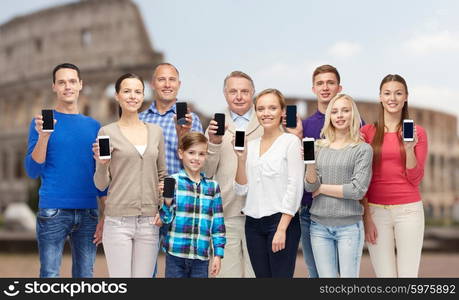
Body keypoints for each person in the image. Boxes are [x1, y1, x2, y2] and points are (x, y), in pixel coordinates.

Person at [24, 63, 107, 277]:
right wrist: (43, 137)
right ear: (54, 87)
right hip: (53, 211)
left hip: (89, 212)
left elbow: (99, 171)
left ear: (81, 85)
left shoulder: (95, 126)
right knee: (50, 275)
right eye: (61, 82)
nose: (67, 86)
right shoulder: (40, 124)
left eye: (72, 81)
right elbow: (33, 170)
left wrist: (104, 214)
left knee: (85, 276)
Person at [93, 73, 167, 277]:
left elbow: (163, 175)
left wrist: (163, 208)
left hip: (149, 222)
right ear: (117, 96)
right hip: (117, 221)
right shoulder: (106, 132)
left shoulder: (156, 132)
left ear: (143, 96)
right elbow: (100, 185)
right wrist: (101, 164)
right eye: (126, 91)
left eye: (137, 91)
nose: (132, 96)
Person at [138, 63, 203, 276]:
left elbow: (196, 167)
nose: (167, 84)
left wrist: (182, 134)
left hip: (183, 204)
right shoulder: (140, 120)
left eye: (172, 79)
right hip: (149, 202)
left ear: (179, 84)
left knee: (180, 271)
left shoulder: (193, 122)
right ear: (152, 84)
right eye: (161, 79)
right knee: (146, 269)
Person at [361, 74, 428, 277]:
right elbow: (362, 178)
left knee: (408, 277)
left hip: (409, 211)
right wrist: (367, 217)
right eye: (387, 93)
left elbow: (415, 178)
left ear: (406, 97)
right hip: (375, 213)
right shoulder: (367, 133)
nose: (393, 98)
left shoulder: (418, 133)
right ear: (380, 97)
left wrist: (408, 149)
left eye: (398, 93)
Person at [234, 89, 304, 278]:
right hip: (253, 224)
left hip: (281, 222)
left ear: (282, 111)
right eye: (261, 108)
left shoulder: (291, 142)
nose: (266, 113)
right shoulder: (251, 144)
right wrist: (241, 159)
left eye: (272, 108)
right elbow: (241, 190)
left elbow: (295, 186)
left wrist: (281, 229)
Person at [304, 94, 373, 277]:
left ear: (353, 115)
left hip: (349, 227)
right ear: (329, 117)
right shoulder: (319, 147)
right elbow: (310, 187)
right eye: (334, 111)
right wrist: (310, 164)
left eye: (345, 110)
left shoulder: (362, 149)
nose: (340, 115)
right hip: (318, 226)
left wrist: (322, 188)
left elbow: (357, 190)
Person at [285, 64, 343, 278]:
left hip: (344, 209)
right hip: (311, 208)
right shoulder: (306, 126)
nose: (325, 87)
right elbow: (294, 167)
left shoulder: (355, 123)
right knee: (316, 274)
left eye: (330, 83)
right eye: (320, 83)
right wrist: (296, 137)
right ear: (313, 89)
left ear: (339, 87)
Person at [203, 71, 261, 277]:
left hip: (260, 214)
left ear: (253, 93)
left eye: (244, 91)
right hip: (227, 214)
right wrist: (213, 143)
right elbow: (206, 173)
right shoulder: (214, 127)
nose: (239, 96)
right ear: (225, 94)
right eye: (233, 91)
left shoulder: (266, 121)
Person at [159, 132, 226, 278]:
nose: (196, 158)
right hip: (175, 255)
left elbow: (218, 225)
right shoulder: (172, 182)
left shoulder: (212, 187)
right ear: (181, 153)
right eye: (191, 153)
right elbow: (164, 221)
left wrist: (218, 255)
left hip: (201, 258)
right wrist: (167, 202)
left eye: (201, 154)